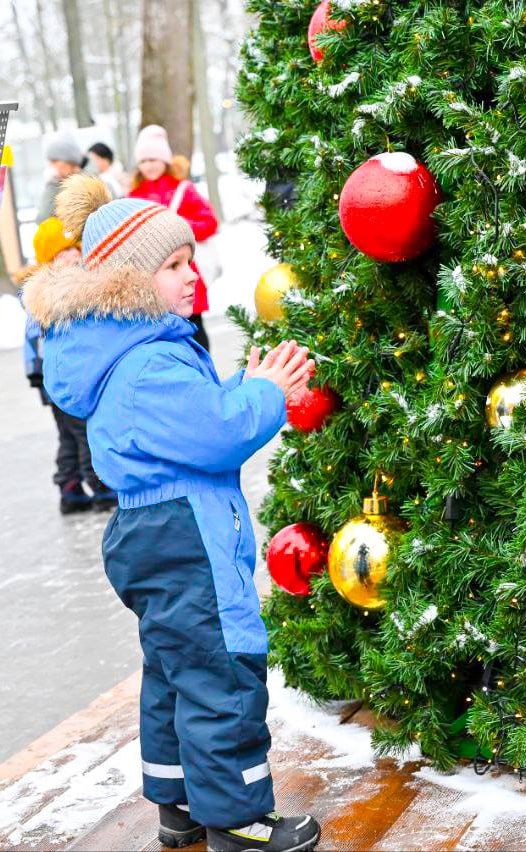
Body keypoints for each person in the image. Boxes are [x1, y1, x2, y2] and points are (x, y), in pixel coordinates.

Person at [22, 174, 321, 852]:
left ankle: (178, 801)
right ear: (129, 281)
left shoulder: (122, 355)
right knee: (220, 672)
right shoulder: (150, 363)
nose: (192, 277)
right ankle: (239, 817)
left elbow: (190, 426)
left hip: (150, 529)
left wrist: (245, 383)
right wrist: (267, 391)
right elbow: (215, 435)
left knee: (175, 671)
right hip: (186, 534)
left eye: (190, 261)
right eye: (173, 265)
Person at [19, 217, 118, 515]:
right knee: (84, 430)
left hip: (57, 375)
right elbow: (38, 337)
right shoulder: (49, 292)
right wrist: (37, 371)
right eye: (64, 254)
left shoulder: (67, 285)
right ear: (49, 260)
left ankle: (70, 487)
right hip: (62, 377)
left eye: (76, 250)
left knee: (68, 434)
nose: (73, 257)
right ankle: (101, 487)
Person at [128, 124, 218, 351]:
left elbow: (209, 222)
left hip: (185, 270)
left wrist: (177, 228)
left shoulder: (183, 190)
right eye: (143, 161)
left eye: (153, 159)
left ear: (165, 160)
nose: (148, 165)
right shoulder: (133, 195)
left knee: (194, 327)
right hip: (151, 274)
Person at [36, 133, 86, 224]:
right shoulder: (59, 184)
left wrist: (52, 185)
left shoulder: (87, 184)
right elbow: (42, 220)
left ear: (69, 161)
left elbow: (44, 218)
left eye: (54, 161)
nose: (51, 165)